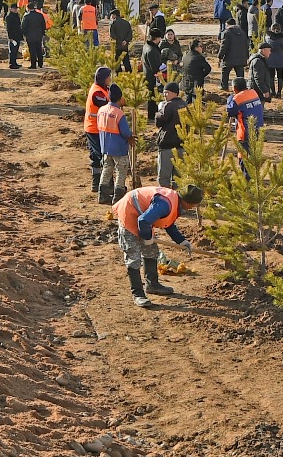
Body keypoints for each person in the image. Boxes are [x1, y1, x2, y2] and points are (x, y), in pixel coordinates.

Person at [112, 184, 202, 307]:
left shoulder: (175, 202)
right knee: (133, 257)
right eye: (194, 204)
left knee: (151, 251)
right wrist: (147, 237)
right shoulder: (164, 204)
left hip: (144, 216)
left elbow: (168, 223)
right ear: (187, 202)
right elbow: (143, 221)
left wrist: (181, 241)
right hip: (129, 210)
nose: (193, 207)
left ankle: (152, 285)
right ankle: (138, 294)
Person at [97, 84, 132, 204]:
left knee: (106, 169)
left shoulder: (101, 110)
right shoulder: (118, 113)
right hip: (119, 148)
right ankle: (118, 197)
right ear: (120, 98)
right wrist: (131, 137)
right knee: (121, 171)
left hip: (105, 147)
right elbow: (125, 132)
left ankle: (102, 195)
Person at [83, 65, 112, 193]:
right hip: (94, 128)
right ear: (103, 78)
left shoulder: (101, 89)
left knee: (95, 155)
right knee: (101, 155)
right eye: (108, 76)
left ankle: (96, 183)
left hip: (94, 127)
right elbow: (108, 106)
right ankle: (105, 184)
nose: (110, 78)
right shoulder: (97, 93)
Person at [154, 82, 186, 188]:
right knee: (178, 178)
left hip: (167, 145)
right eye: (164, 93)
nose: (164, 95)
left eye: (167, 92)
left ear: (175, 93)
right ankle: (177, 197)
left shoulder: (168, 105)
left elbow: (159, 122)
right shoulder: (185, 105)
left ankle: (165, 196)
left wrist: (158, 112)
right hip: (181, 145)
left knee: (164, 177)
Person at [225, 77, 265, 156]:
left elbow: (230, 112)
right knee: (254, 155)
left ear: (235, 88)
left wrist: (230, 98)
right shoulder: (253, 92)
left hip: (245, 132)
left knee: (243, 156)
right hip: (259, 128)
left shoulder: (237, 99)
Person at [21, 0, 48, 68]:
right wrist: (42, 33)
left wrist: (24, 35)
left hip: (30, 36)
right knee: (39, 49)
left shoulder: (26, 16)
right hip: (38, 35)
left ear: (28, 8)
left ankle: (33, 65)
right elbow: (43, 25)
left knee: (32, 50)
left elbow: (23, 27)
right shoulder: (40, 15)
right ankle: (40, 64)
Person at [4, 4, 24, 69]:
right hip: (12, 37)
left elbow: (19, 27)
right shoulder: (9, 17)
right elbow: (8, 28)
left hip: (17, 36)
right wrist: (10, 37)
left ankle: (14, 63)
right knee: (12, 51)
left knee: (16, 50)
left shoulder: (17, 16)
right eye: (14, 8)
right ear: (10, 9)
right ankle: (12, 64)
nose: (15, 10)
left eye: (16, 8)